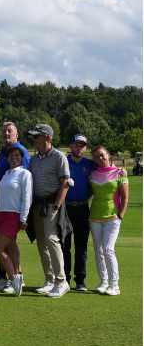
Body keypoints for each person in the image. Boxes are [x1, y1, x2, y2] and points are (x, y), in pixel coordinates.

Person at [26, 123, 71, 298]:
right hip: (37, 205)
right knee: (41, 242)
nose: (34, 139)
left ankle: (62, 281)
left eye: (37, 136)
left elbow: (65, 183)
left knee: (52, 239)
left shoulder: (59, 157)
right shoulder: (34, 159)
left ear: (47, 137)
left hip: (52, 204)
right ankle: (49, 280)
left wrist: (57, 205)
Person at [0, 121, 30, 291]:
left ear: (16, 134)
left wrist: (24, 217)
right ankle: (7, 277)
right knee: (10, 245)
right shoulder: (4, 157)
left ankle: (15, 279)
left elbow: (25, 189)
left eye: (10, 131)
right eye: (4, 131)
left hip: (13, 212)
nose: (6, 134)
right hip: (1, 211)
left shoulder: (22, 153)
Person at [88, 145, 129, 296]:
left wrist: (121, 215)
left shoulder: (120, 173)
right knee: (98, 250)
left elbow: (125, 197)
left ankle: (114, 285)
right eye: (96, 156)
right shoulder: (93, 174)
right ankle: (103, 282)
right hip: (95, 217)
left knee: (108, 249)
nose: (100, 158)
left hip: (112, 217)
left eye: (102, 155)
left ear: (108, 155)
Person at [63, 134, 95, 291]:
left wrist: (120, 172)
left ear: (85, 148)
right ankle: (65, 279)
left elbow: (106, 169)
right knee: (65, 245)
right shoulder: (63, 161)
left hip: (82, 208)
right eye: (76, 144)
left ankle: (80, 281)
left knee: (81, 246)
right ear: (71, 146)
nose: (79, 148)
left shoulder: (90, 164)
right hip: (66, 208)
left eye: (82, 145)